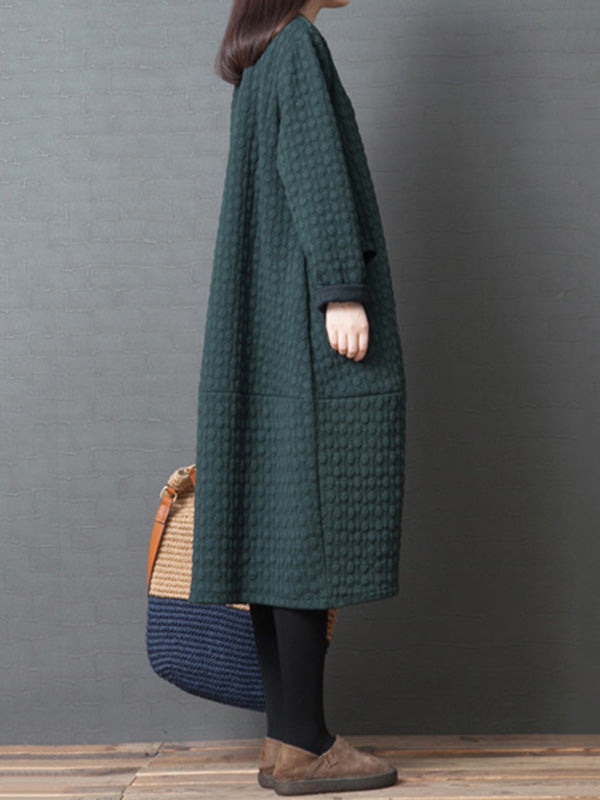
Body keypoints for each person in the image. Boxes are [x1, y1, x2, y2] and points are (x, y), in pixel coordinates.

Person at [188, 0, 407, 794]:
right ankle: (307, 741)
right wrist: (341, 290)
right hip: (305, 318)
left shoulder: (263, 60)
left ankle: (288, 739)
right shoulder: (301, 48)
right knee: (308, 534)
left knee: (280, 532)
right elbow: (314, 170)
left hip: (265, 322)